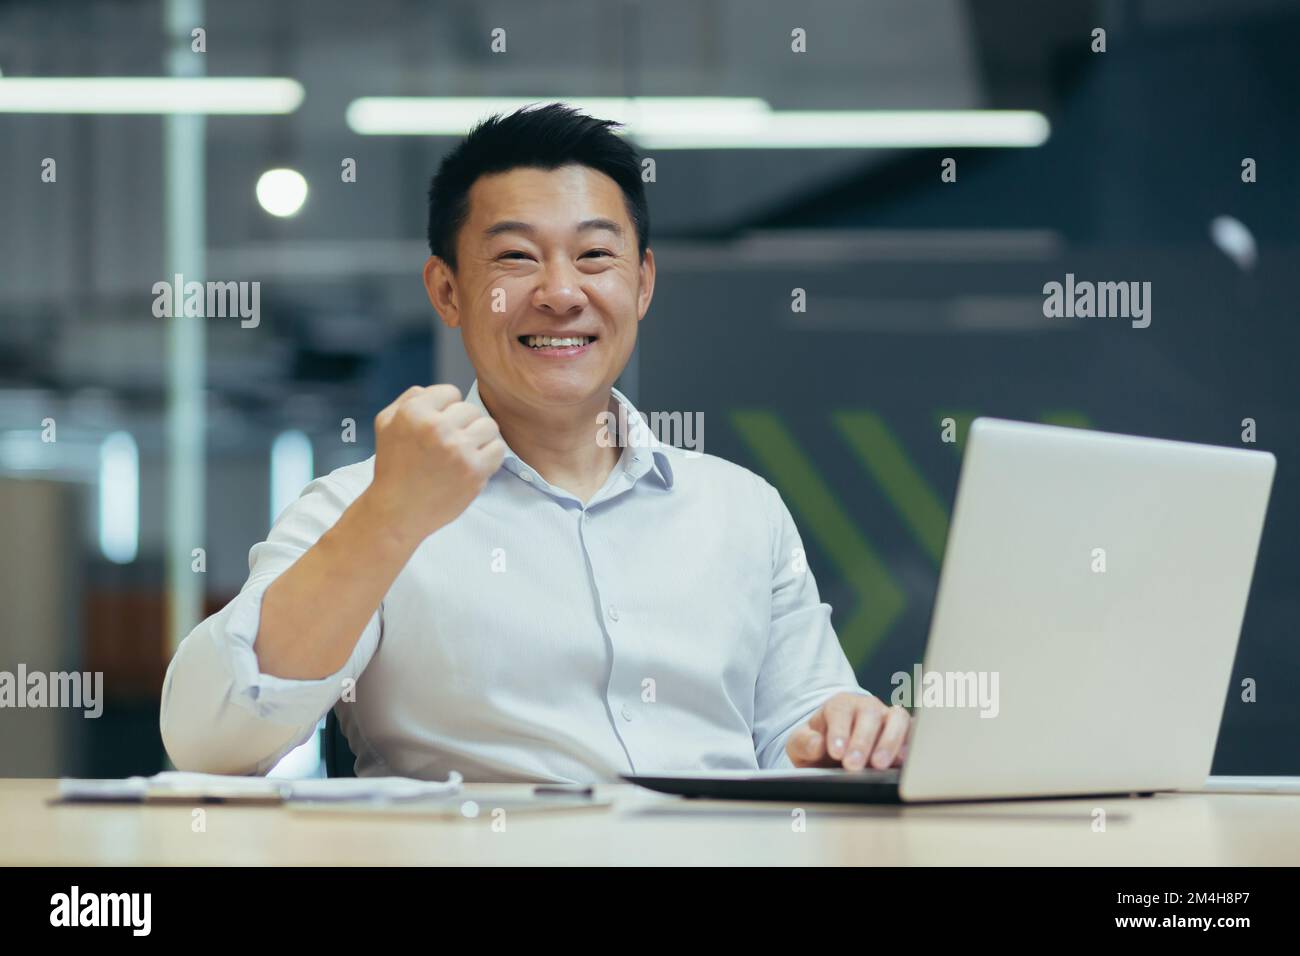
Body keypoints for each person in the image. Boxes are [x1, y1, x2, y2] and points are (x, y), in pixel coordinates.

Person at [160, 103, 911, 782]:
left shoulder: (743, 509)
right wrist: (389, 519)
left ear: (642, 283)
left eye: (595, 256)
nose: (560, 292)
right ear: (447, 290)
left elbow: (799, 728)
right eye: (516, 257)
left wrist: (839, 738)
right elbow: (210, 738)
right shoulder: (361, 506)